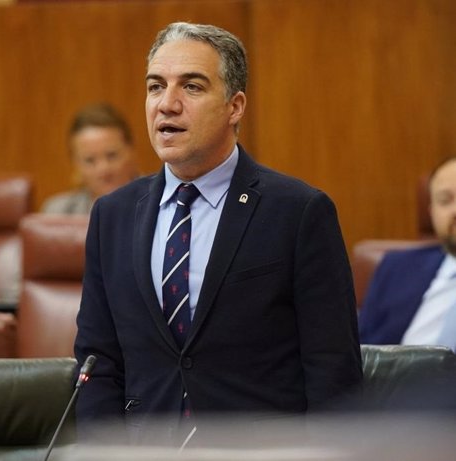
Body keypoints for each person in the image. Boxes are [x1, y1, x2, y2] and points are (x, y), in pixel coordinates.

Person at [73, 22, 362, 444]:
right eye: (155, 87)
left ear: (235, 105)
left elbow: (332, 370)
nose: (166, 105)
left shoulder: (298, 212)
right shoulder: (112, 216)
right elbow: (99, 364)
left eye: (191, 87)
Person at [359, 156, 456, 349]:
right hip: (391, 378)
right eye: (445, 200)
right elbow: (360, 351)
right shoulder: (396, 267)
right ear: (431, 212)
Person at [41, 103, 138, 214]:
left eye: (112, 156)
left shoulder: (157, 203)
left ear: (130, 151)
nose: (103, 169)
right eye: (90, 160)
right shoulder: (57, 213)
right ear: (75, 163)